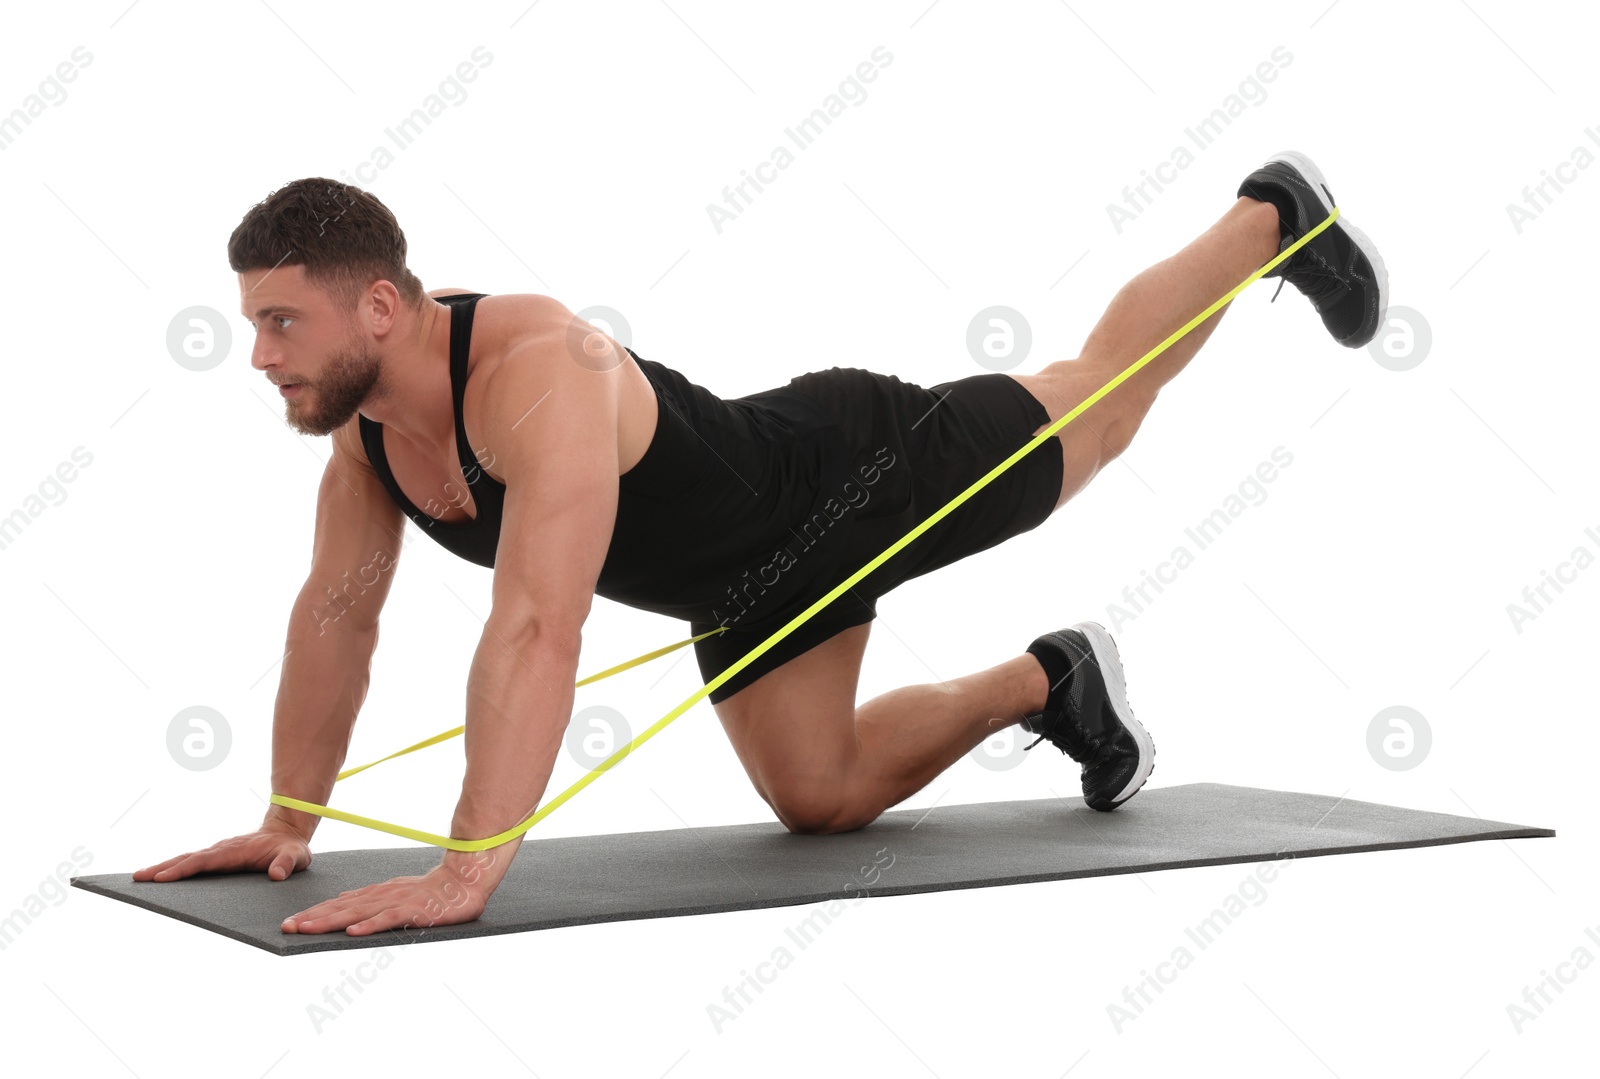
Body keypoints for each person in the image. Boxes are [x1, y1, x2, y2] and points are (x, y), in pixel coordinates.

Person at [133, 152, 1388, 936]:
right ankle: (1051, 678)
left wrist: (471, 865)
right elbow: (336, 616)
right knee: (820, 795)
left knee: (1098, 408)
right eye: (253, 322)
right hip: (747, 589)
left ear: (382, 305)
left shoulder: (534, 369)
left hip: (844, 478)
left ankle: (1272, 214)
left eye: (282, 320)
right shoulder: (367, 439)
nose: (260, 355)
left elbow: (535, 623)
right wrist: (291, 812)